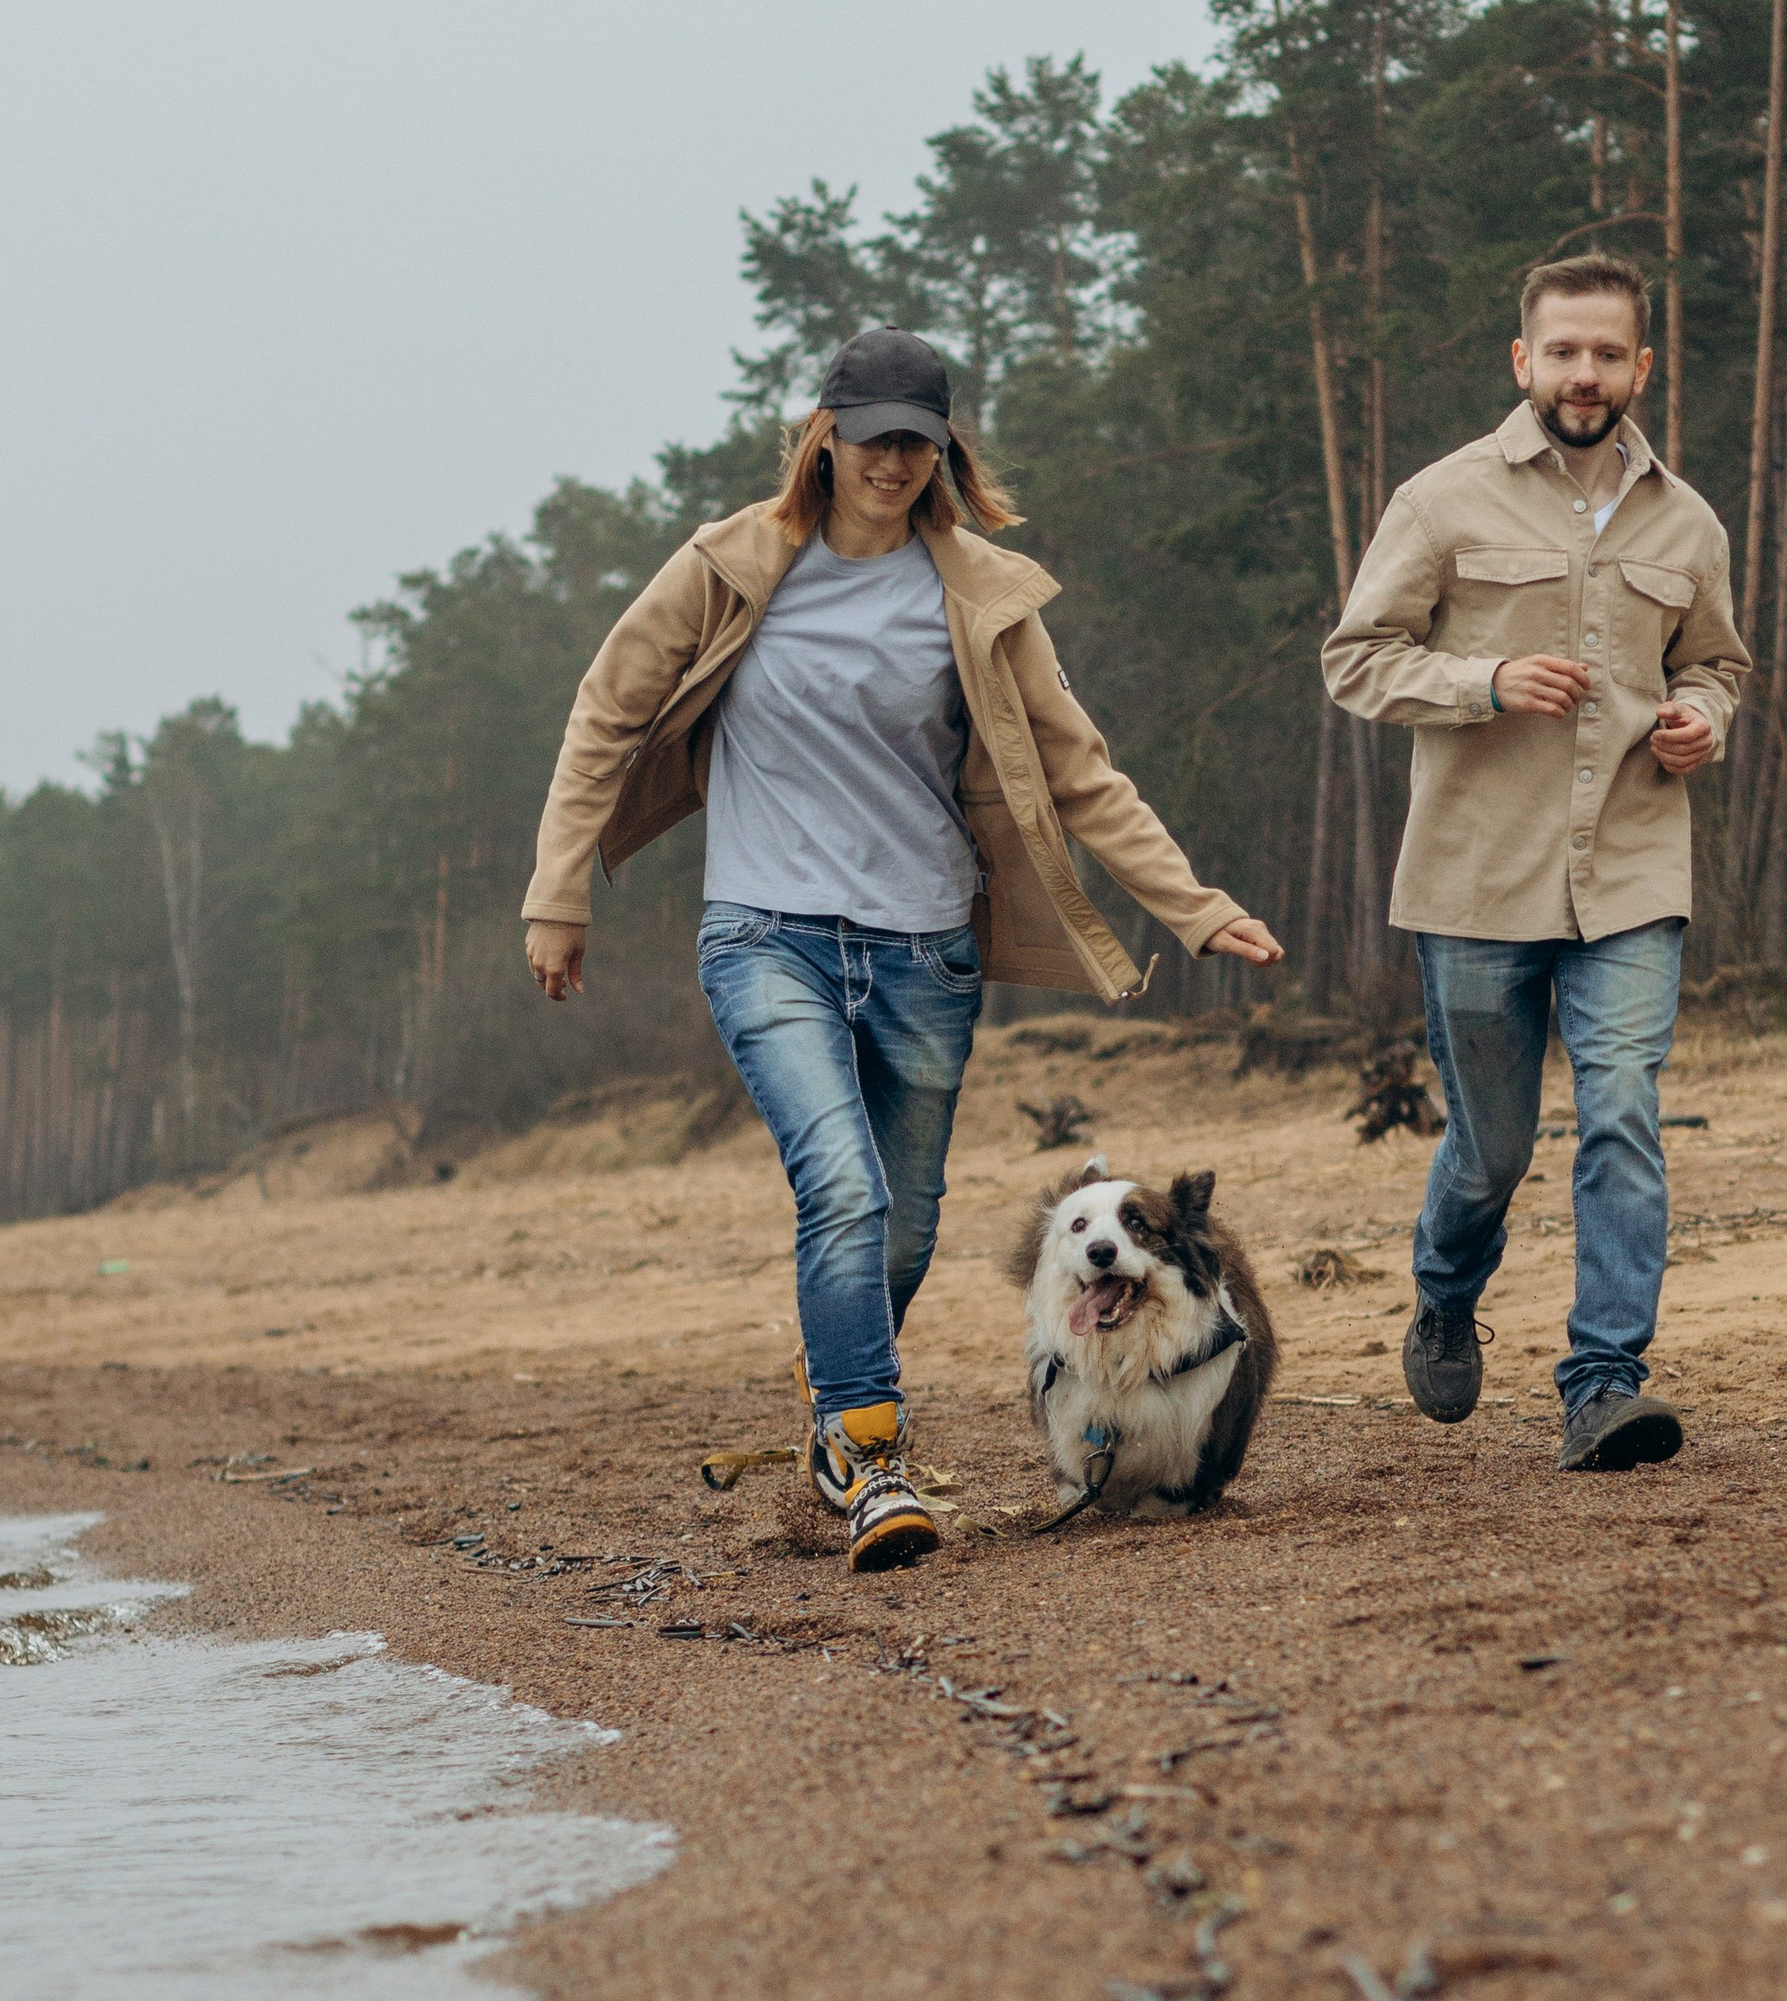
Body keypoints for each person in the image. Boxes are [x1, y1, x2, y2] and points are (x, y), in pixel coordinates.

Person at [522, 329, 1283, 1568]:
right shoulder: (729, 565)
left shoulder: (978, 592)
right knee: (844, 1186)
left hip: (925, 946)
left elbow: (1080, 772)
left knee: (906, 1229)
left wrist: (1188, 903)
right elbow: (605, 713)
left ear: (944, 450)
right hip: (765, 932)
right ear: (822, 432)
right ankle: (872, 1457)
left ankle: (835, 1414)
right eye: (872, 436)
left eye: (917, 443)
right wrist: (559, 891)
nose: (891, 462)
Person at [1322, 258, 1748, 1473]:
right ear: (1523, 360)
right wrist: (1484, 682)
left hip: (1629, 870)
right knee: (1492, 1151)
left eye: (1608, 354)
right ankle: (1447, 1293)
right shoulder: (1442, 501)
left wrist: (1701, 719)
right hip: (1474, 881)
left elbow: (1716, 665)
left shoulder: (1688, 521)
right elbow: (1355, 660)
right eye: (1563, 351)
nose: (1584, 374)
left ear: (1640, 368)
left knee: (1620, 1109)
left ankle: (1601, 1380)